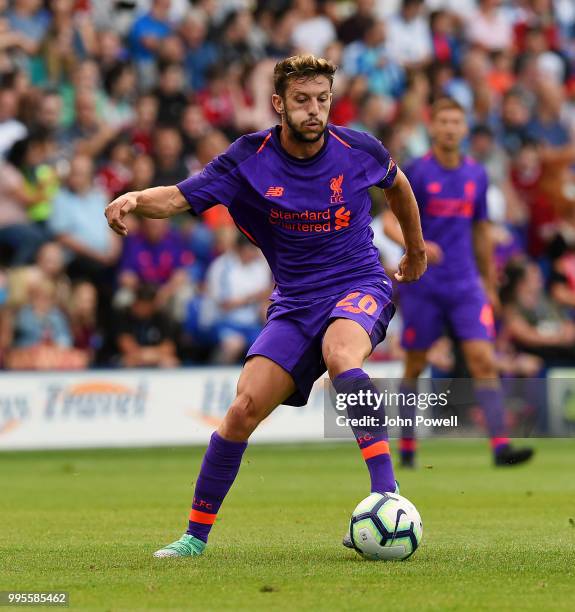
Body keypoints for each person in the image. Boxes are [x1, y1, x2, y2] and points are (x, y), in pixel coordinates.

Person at [105, 54, 427, 559]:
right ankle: (194, 537)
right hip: (296, 302)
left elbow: (399, 186)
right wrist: (133, 199)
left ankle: (387, 492)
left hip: (358, 282)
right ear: (279, 103)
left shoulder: (359, 148)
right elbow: (180, 197)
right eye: (302, 100)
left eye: (322, 99)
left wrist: (416, 248)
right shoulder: (247, 158)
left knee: (342, 355)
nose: (314, 110)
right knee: (242, 410)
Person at [384, 97, 534, 469]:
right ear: (431, 127)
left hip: (465, 284)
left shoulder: (476, 175)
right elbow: (389, 222)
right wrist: (415, 244)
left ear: (465, 128)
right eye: (443, 121)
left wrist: (489, 283)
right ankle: (406, 449)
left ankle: (501, 447)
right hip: (423, 284)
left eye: (456, 122)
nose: (450, 128)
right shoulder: (416, 172)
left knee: (483, 360)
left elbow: (481, 231)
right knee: (415, 365)